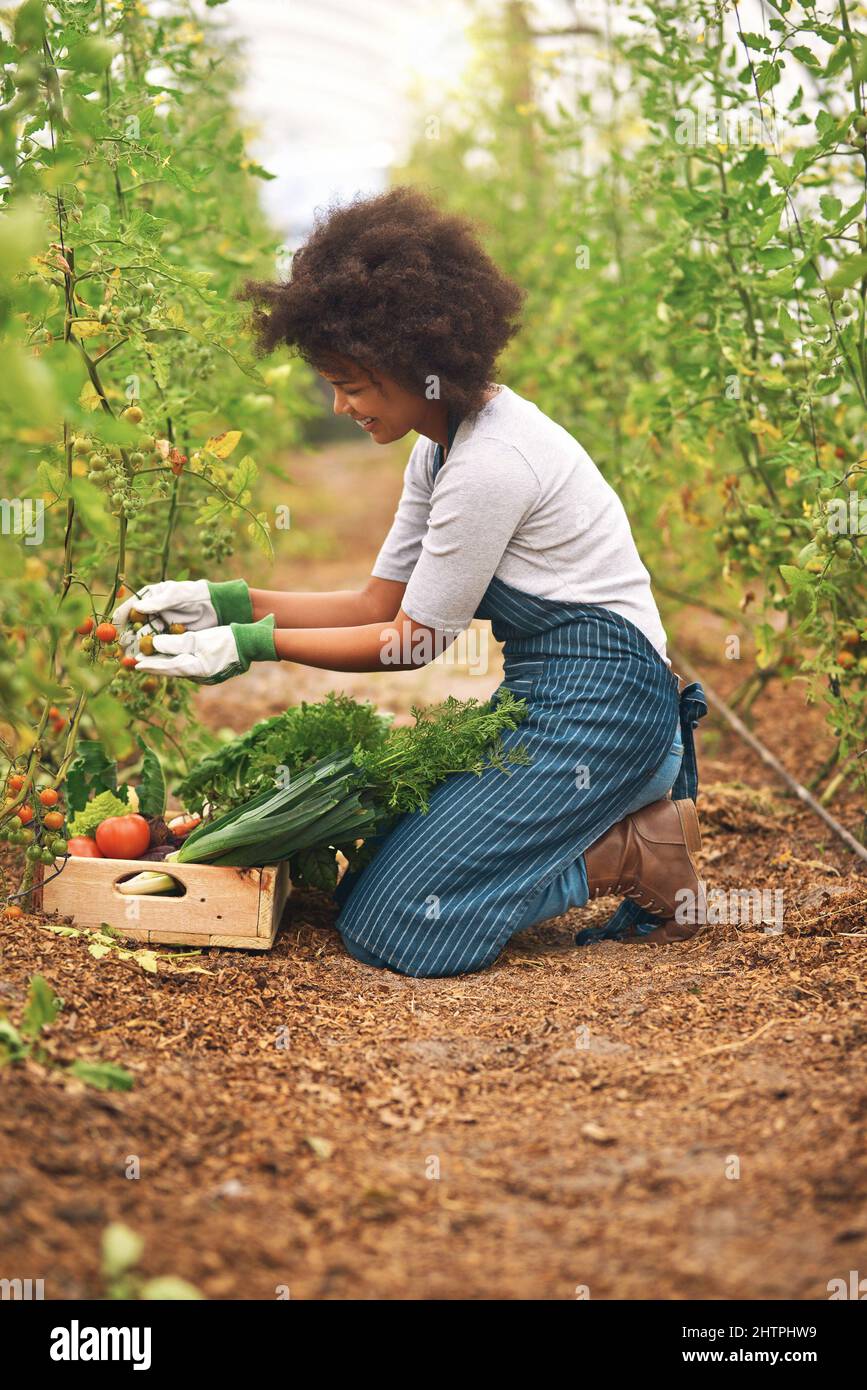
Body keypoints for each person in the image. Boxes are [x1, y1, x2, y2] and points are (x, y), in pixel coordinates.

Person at [113, 186, 708, 978]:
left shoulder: (493, 462)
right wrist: (225, 602)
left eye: (353, 383)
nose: (341, 404)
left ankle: (633, 853)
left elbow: (410, 645)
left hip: (609, 709)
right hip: (552, 696)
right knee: (369, 882)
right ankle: (618, 830)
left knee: (397, 928)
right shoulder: (439, 446)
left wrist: (250, 647)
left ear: (415, 361)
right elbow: (376, 603)